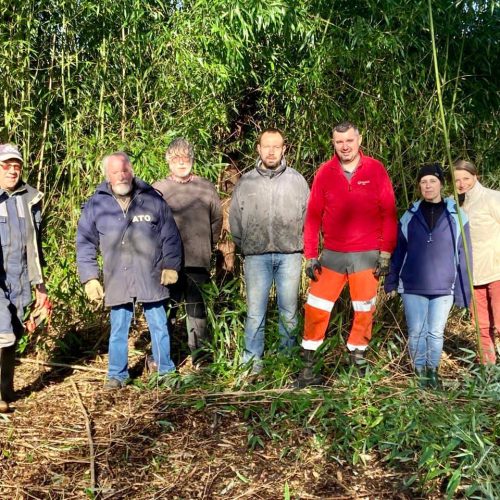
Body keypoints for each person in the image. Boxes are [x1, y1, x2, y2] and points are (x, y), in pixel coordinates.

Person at [297, 121, 397, 387]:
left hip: (367, 256)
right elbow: (313, 218)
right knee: (315, 308)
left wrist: (385, 253)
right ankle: (308, 369)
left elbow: (389, 214)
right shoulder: (325, 172)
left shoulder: (375, 170)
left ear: (359, 140)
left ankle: (358, 365)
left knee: (364, 310)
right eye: (339, 142)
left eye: (349, 141)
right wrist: (311, 255)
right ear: (334, 143)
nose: (345, 146)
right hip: (332, 255)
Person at [76, 152, 182, 389]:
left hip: (151, 274)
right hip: (117, 276)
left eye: (125, 170)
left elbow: (171, 236)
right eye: (115, 172)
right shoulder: (96, 204)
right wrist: (90, 278)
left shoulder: (153, 200)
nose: (121, 175)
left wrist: (171, 265)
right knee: (119, 328)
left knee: (158, 324)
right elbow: (85, 242)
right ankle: (117, 375)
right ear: (107, 176)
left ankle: (165, 370)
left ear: (132, 171)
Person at [229, 128, 309, 375]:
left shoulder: (297, 180)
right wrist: (246, 246)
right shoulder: (246, 181)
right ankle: (252, 363)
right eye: (267, 146)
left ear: (284, 149)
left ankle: (287, 361)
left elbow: (309, 215)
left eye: (277, 146)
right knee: (255, 312)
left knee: (289, 312)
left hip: (290, 255)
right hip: (256, 257)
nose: (271, 151)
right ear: (259, 149)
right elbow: (235, 219)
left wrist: (301, 244)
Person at [385, 163, 471, 388]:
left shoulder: (457, 215)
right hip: (412, 284)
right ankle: (419, 372)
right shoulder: (409, 215)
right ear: (419, 186)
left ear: (441, 184)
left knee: (435, 332)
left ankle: (433, 372)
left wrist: (464, 292)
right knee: (416, 332)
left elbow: (464, 254)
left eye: (432, 181)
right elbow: (399, 251)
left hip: (444, 286)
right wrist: (392, 280)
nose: (428, 185)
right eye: (423, 182)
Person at [153, 138, 222, 365]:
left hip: (197, 260)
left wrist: (207, 247)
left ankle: (201, 358)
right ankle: (162, 358)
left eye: (186, 158)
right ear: (168, 161)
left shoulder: (205, 187)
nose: (182, 163)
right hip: (167, 263)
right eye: (176, 158)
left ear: (193, 159)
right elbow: (149, 226)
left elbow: (216, 220)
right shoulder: (158, 189)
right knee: (166, 310)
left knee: (197, 311)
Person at [0, 144, 49, 412]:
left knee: (14, 334)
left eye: (16, 166)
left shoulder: (30, 199)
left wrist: (40, 286)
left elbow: (35, 246)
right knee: (2, 332)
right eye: (6, 165)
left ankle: (5, 392)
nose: (12, 170)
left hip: (19, 281)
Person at [453, 160, 500, 364]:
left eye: (466, 178)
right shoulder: (456, 204)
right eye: (456, 180)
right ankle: (487, 370)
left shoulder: (492, 198)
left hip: (496, 269)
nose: (462, 184)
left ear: (475, 176)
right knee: (481, 325)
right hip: (472, 273)